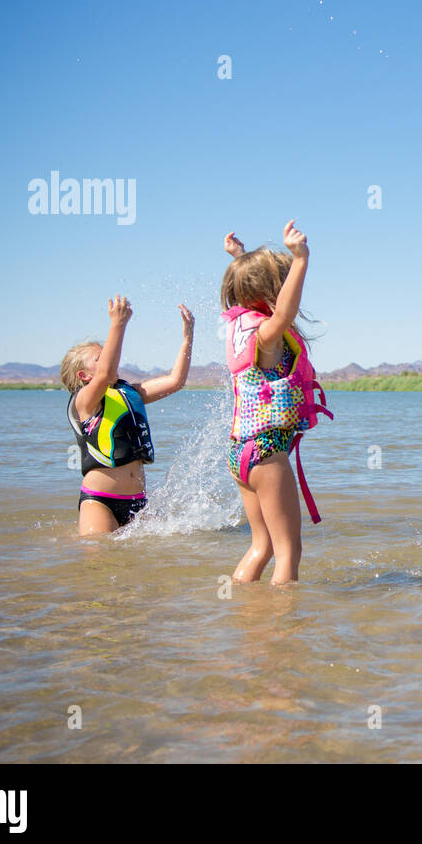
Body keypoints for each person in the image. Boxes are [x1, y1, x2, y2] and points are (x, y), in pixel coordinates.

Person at [221, 223, 332, 584]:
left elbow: (251, 291)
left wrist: (240, 258)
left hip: (242, 451)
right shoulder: (267, 334)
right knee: (288, 552)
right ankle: (283, 630)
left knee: (261, 547)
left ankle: (243, 612)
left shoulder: (240, 330)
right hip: (267, 451)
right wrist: (301, 259)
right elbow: (282, 314)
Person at [61, 295, 194, 535]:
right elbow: (104, 374)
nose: (111, 360)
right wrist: (118, 324)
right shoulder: (84, 401)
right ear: (83, 376)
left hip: (139, 503)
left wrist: (187, 338)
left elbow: (176, 381)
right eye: (100, 359)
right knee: (99, 563)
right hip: (101, 501)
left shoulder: (128, 392)